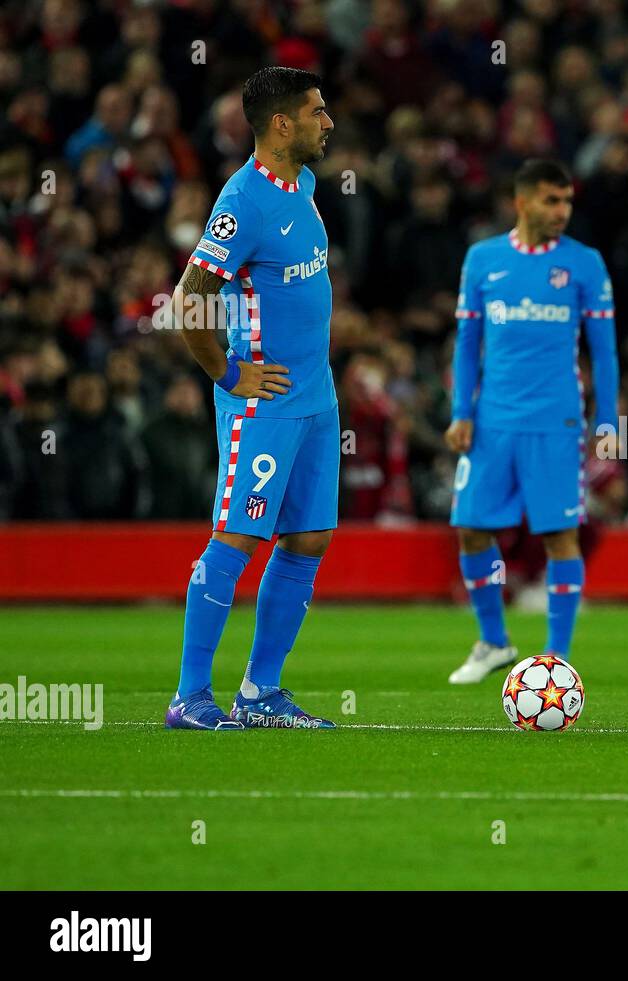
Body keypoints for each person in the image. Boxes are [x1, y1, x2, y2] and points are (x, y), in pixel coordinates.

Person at [164, 66, 338, 730]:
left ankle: (261, 692)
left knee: (309, 536)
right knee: (237, 536)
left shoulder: (307, 184)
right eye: (317, 112)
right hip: (262, 402)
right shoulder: (241, 203)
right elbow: (190, 300)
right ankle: (189, 695)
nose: (329, 123)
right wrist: (228, 373)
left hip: (316, 398)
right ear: (281, 124)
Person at [444, 159, 619, 684]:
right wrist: (461, 413)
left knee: (560, 535)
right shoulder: (483, 260)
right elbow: (468, 345)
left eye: (566, 201)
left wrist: (606, 420)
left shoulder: (585, 263)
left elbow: (604, 352)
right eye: (551, 200)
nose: (562, 211)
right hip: (493, 422)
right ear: (521, 202)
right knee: (472, 529)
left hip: (555, 421)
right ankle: (493, 641)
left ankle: (556, 659)